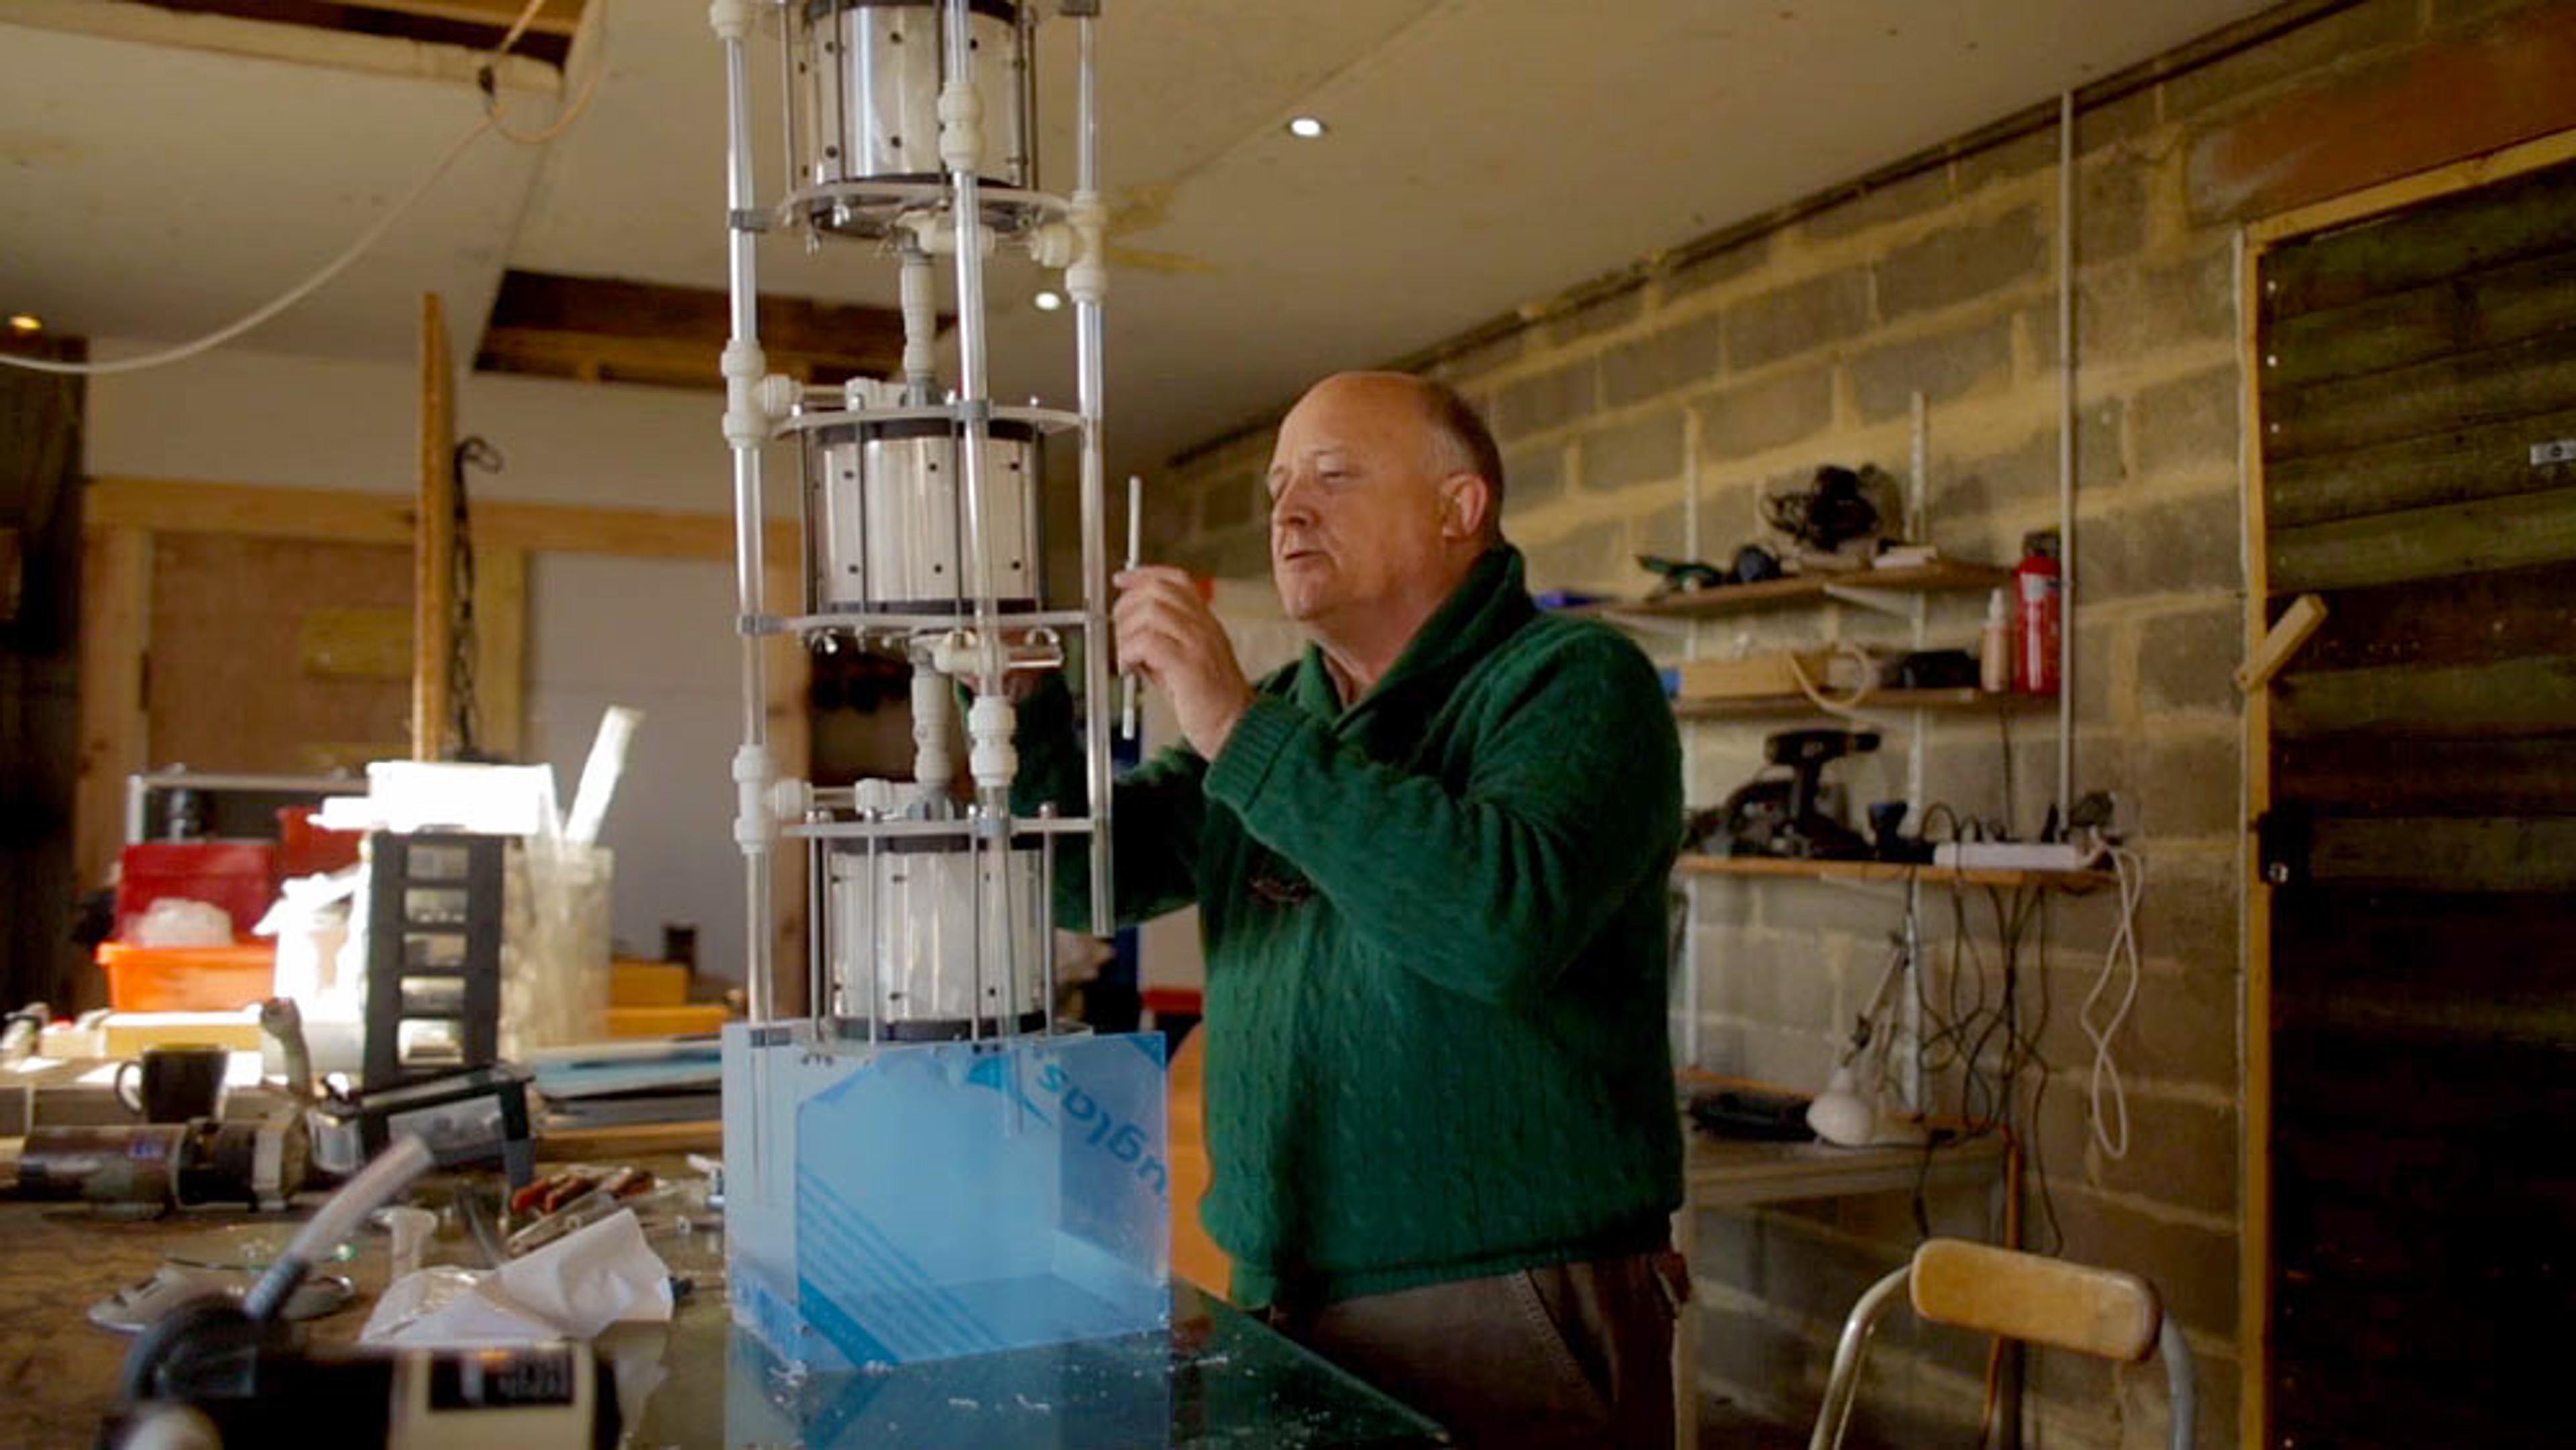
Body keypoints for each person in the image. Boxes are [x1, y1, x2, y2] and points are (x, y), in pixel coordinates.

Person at [1018, 371, 1686, 1447]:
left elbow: (1495, 921)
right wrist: (1022, 705)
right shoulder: (1294, 709)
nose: (1288, 510)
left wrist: (1234, 724)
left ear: (1457, 507)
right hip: (1282, 1284)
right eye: (1281, 484)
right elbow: (1082, 877)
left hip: (1503, 1304)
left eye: (1333, 477)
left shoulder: (1574, 683)